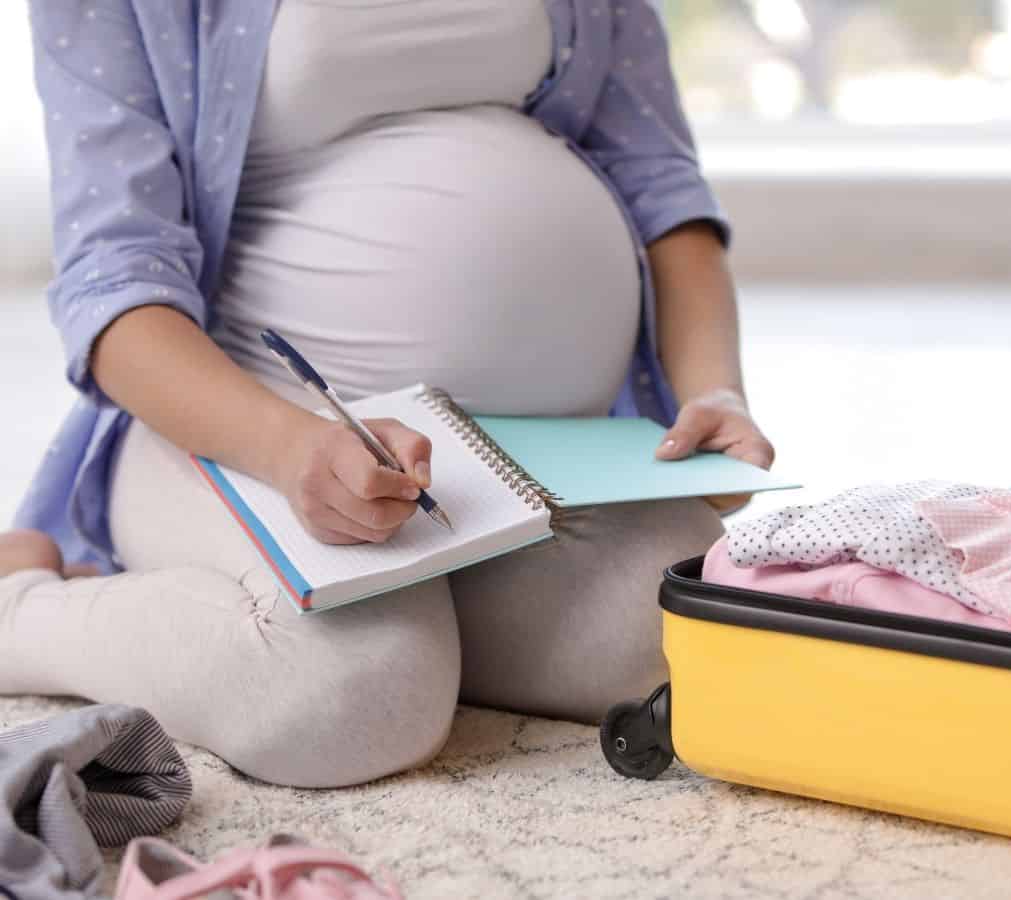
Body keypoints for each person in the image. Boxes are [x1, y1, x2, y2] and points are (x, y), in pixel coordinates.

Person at [0, 0, 774, 788]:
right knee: (358, 694)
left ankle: (414, 594)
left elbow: (664, 192)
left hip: (520, 463)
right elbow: (116, 283)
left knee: (700, 623)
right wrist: (286, 445)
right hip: (245, 421)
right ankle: (20, 609)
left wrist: (713, 390)